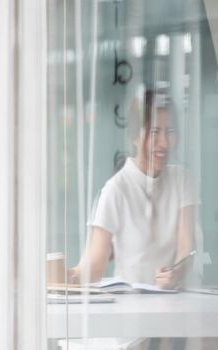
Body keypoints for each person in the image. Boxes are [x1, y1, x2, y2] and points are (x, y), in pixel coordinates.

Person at [69, 89, 199, 290]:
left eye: (170, 132)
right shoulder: (115, 190)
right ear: (135, 136)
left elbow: (186, 246)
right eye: (154, 132)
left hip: (174, 303)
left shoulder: (182, 180)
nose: (164, 143)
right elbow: (94, 267)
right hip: (131, 308)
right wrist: (69, 276)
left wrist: (176, 272)